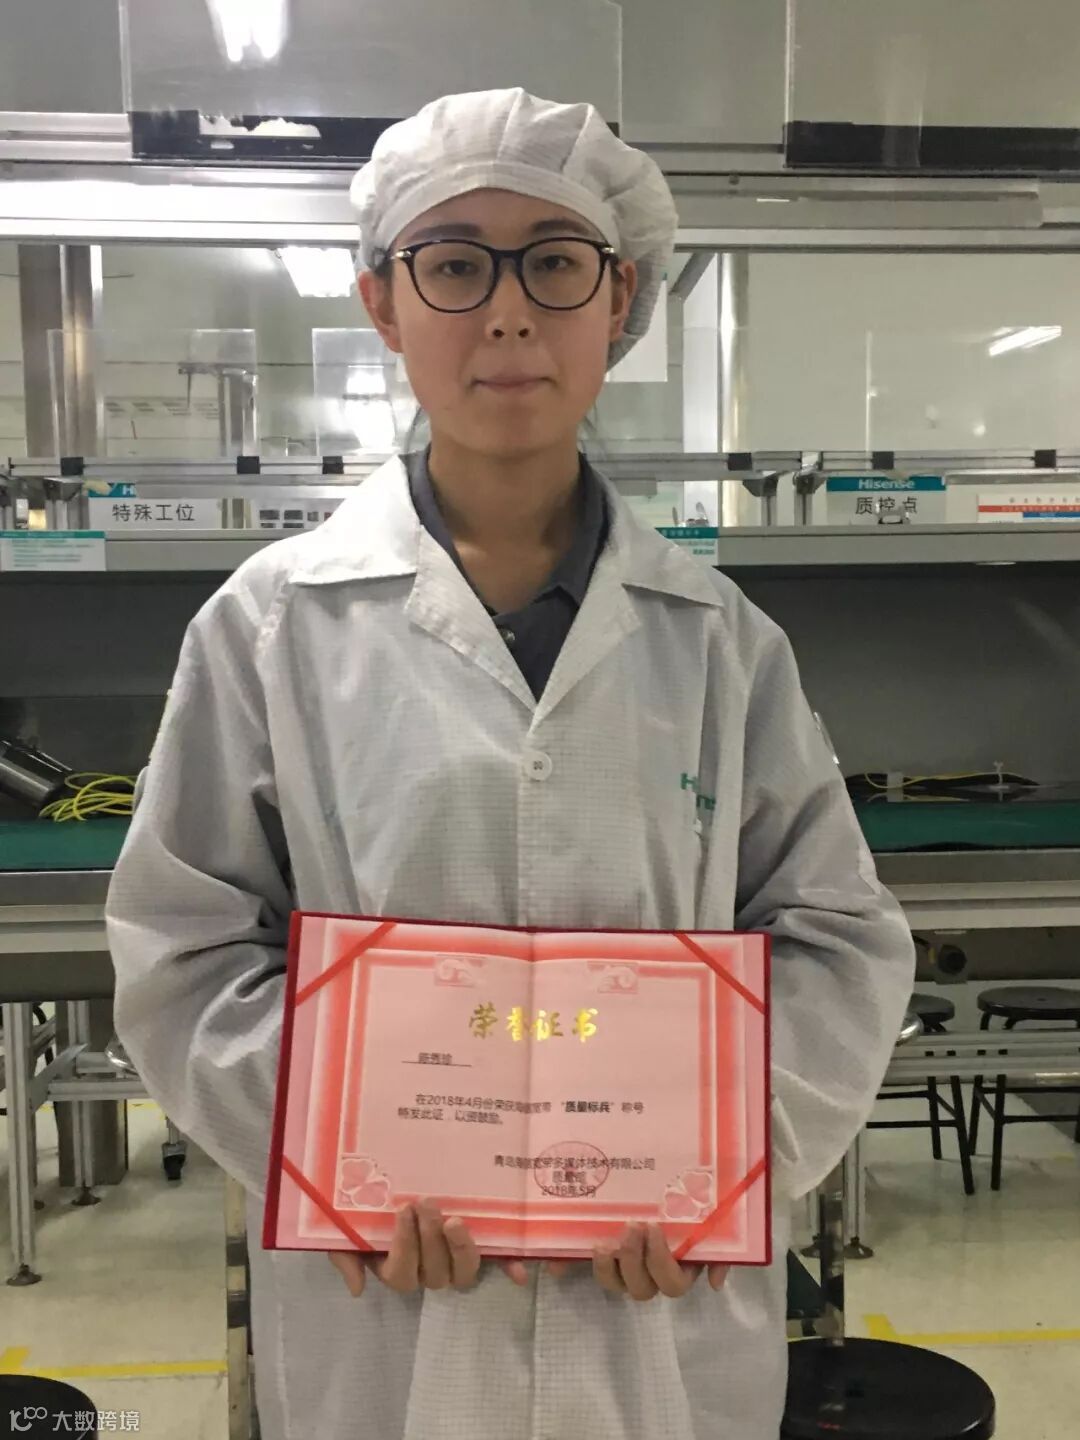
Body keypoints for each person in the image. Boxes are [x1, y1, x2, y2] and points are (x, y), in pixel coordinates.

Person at [105, 88, 915, 1440]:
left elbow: (838, 938)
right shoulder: (269, 626)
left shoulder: (720, 642)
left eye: (553, 262)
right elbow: (182, 946)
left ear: (620, 299)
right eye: (454, 263)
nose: (506, 313)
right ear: (383, 302)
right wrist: (340, 1165)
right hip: (389, 1305)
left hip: (656, 1307)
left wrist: (719, 1166)